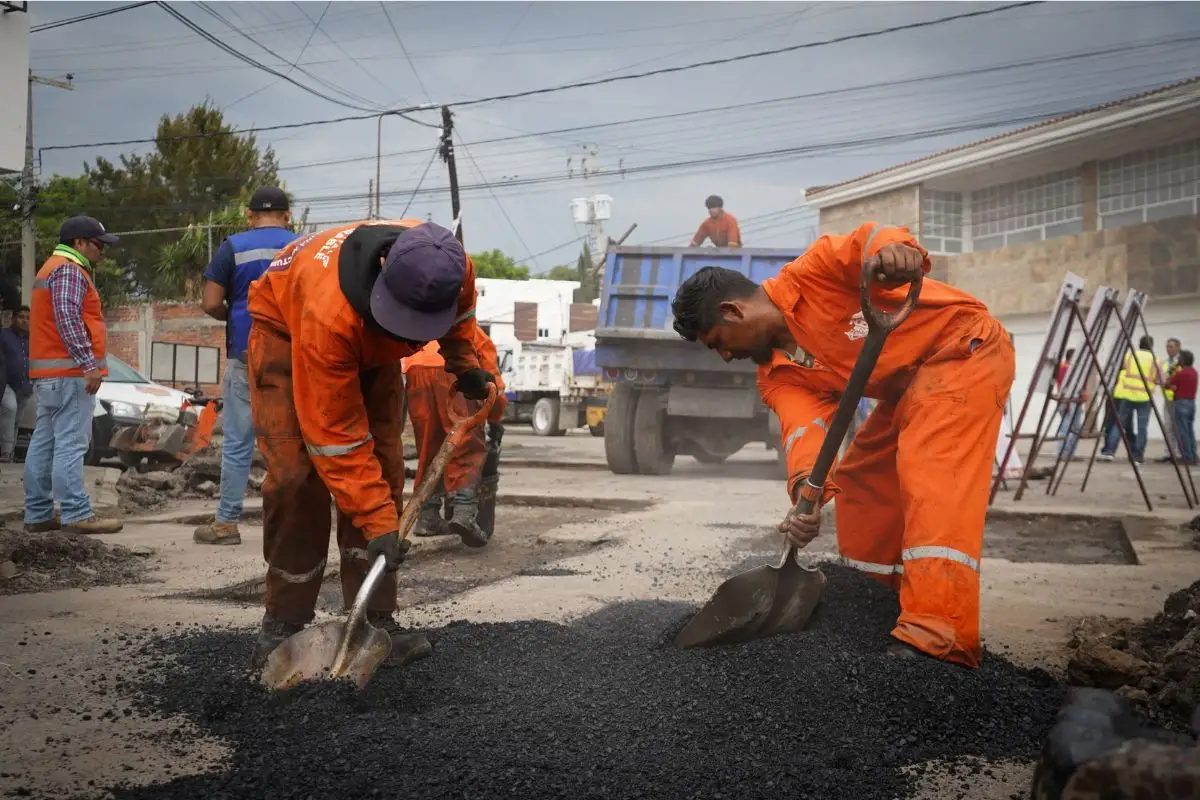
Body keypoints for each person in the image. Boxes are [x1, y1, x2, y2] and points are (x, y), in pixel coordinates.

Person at [670, 221, 1015, 668]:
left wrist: (895, 253)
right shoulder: (777, 375)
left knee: (931, 472)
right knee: (862, 480)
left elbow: (867, 238)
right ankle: (878, 607)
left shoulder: (814, 272)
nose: (726, 356)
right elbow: (804, 433)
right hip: (910, 386)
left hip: (965, 350)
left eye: (718, 343)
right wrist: (805, 500)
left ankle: (939, 636)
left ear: (733, 312)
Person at [245, 217, 495, 668]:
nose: (416, 336)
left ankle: (374, 618)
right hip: (287, 333)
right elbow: (335, 438)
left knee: (384, 467)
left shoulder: (449, 263)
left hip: (375, 347)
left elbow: (460, 316)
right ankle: (284, 622)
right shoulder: (327, 315)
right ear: (383, 268)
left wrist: (463, 362)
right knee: (297, 479)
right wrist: (380, 521)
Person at [193, 187, 299, 546]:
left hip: (246, 357)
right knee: (293, 441)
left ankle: (225, 525)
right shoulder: (304, 247)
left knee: (238, 442)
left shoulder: (232, 247)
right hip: (294, 359)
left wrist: (237, 315)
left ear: (249, 215)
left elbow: (209, 303)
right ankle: (295, 526)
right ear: (287, 215)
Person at [24, 216, 124, 535]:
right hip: (69, 374)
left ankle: (38, 513)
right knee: (70, 444)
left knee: (44, 442)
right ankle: (76, 513)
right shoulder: (69, 269)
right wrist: (88, 365)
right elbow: (68, 318)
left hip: (51, 375)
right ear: (79, 244)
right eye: (99, 244)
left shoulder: (50, 269)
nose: (102, 251)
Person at [403, 326, 508, 544]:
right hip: (455, 372)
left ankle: (428, 517)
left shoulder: (425, 331)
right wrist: (496, 419)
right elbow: (493, 388)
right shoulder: (475, 334)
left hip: (416, 371)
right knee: (466, 443)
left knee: (429, 447)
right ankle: (464, 513)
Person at [1099, 335, 1161, 464]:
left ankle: (1109, 451)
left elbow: (1123, 371)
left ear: (1139, 344)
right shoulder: (1155, 360)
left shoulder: (1130, 355)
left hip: (1128, 395)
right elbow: (1160, 380)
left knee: (1119, 425)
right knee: (1142, 428)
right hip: (1144, 397)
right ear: (1151, 346)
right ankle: (1138, 456)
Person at [0, 306, 31, 461]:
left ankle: (9, 454)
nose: (24, 320)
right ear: (13, 319)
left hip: (25, 386)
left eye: (27, 317)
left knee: (16, 420)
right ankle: (6, 452)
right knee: (10, 409)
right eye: (21, 317)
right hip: (6, 384)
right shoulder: (4, 335)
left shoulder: (33, 339)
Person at [1165, 349, 1196, 466]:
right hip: (1191, 403)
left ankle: (1187, 457)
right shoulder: (1194, 372)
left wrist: (1172, 370)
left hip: (1180, 402)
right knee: (1189, 430)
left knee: (1182, 431)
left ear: (1183, 360)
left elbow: (1167, 384)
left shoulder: (1181, 373)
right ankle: (1193, 455)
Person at [1157, 337, 1182, 462]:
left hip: (1178, 399)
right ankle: (1169, 453)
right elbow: (1160, 379)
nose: (1169, 349)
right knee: (1167, 427)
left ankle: (1178, 453)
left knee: (1177, 427)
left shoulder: (1181, 362)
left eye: (1171, 346)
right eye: (1167, 346)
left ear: (1178, 347)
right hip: (1167, 399)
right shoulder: (1165, 363)